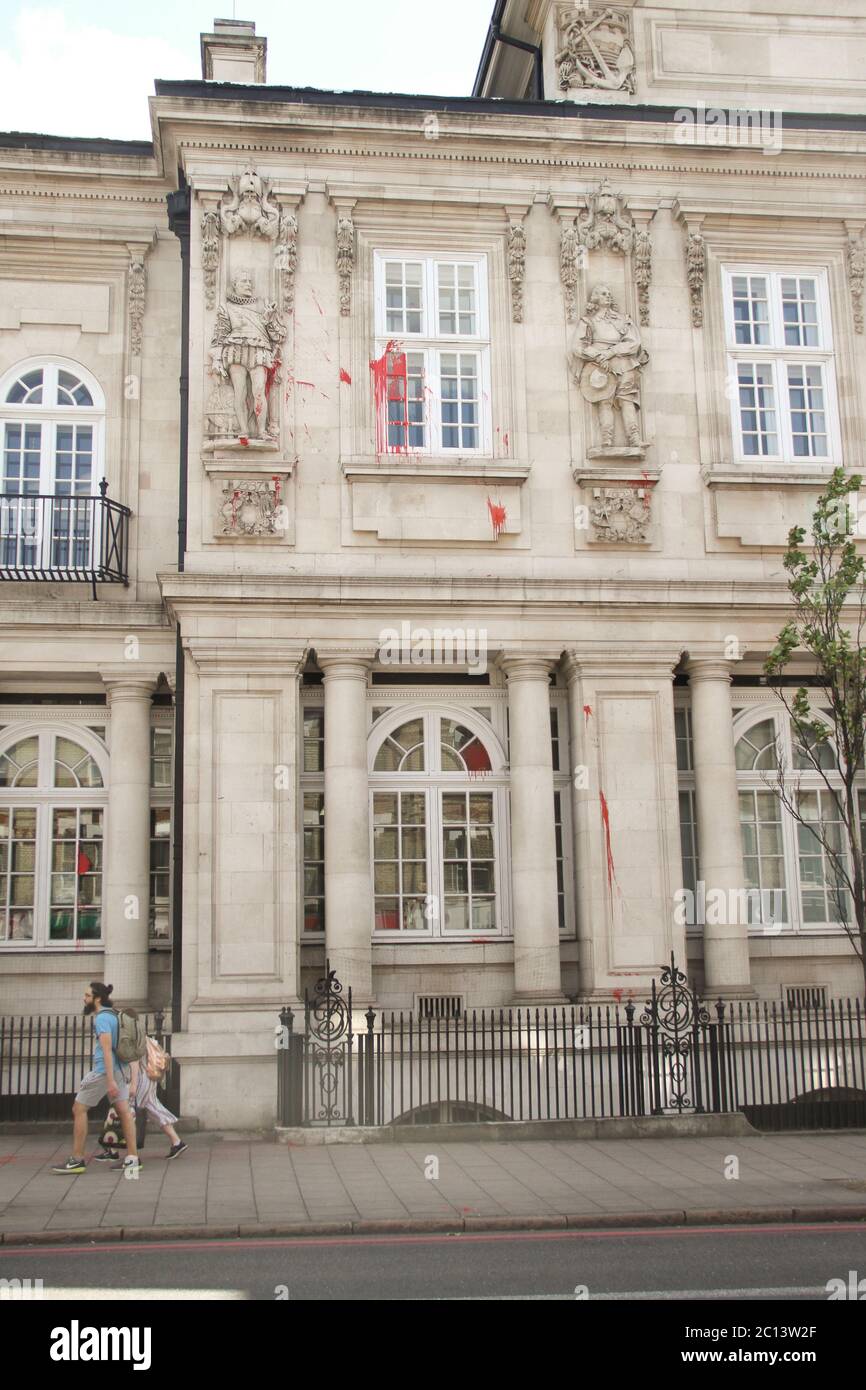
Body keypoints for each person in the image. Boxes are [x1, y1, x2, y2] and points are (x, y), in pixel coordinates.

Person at [51, 982, 140, 1176]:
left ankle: (77, 1159)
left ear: (97, 998)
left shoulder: (101, 1019)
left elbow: (107, 1050)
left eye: (87, 996)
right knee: (124, 1112)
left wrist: (110, 1080)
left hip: (103, 1072)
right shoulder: (115, 1015)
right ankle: (132, 1158)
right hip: (121, 1069)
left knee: (79, 1109)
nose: (84, 999)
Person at [94, 1051, 187, 1161]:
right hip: (146, 1075)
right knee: (152, 1107)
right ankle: (177, 1142)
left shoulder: (134, 1039)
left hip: (139, 1077)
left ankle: (113, 1149)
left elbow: (134, 1058)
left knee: (123, 1109)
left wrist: (133, 1083)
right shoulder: (145, 1040)